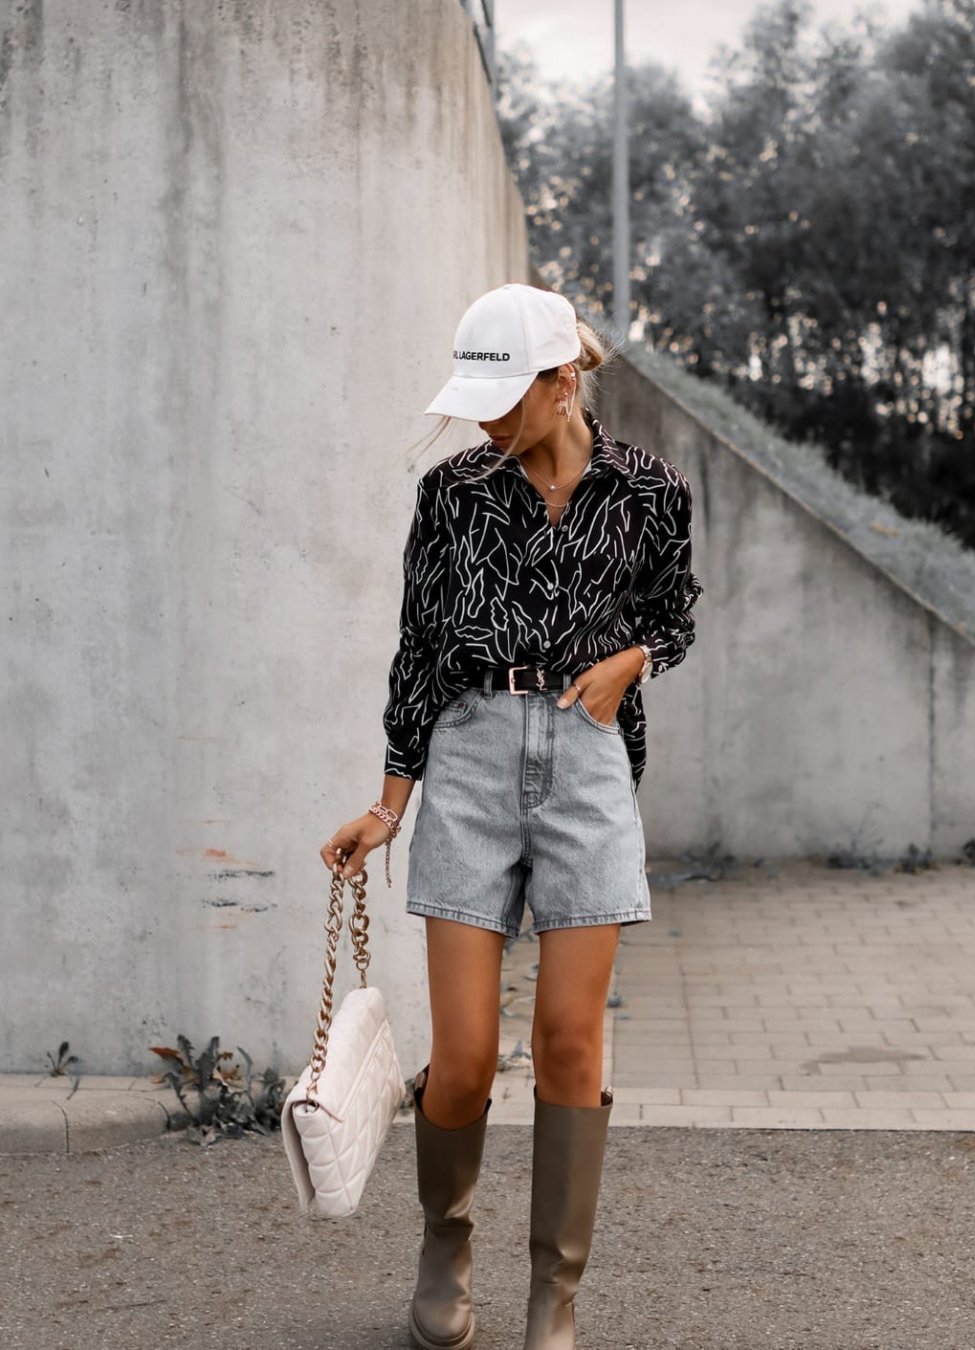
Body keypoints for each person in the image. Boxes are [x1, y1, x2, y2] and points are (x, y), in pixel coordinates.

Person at [320, 282, 702, 1350]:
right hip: (471, 759)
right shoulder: (450, 494)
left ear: (561, 382)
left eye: (503, 399)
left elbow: (675, 615)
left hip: (586, 761)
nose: (484, 420)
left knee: (571, 1046)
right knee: (463, 1058)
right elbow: (416, 653)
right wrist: (386, 804)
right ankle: (444, 1246)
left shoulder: (651, 490)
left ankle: (553, 1297)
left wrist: (631, 660)